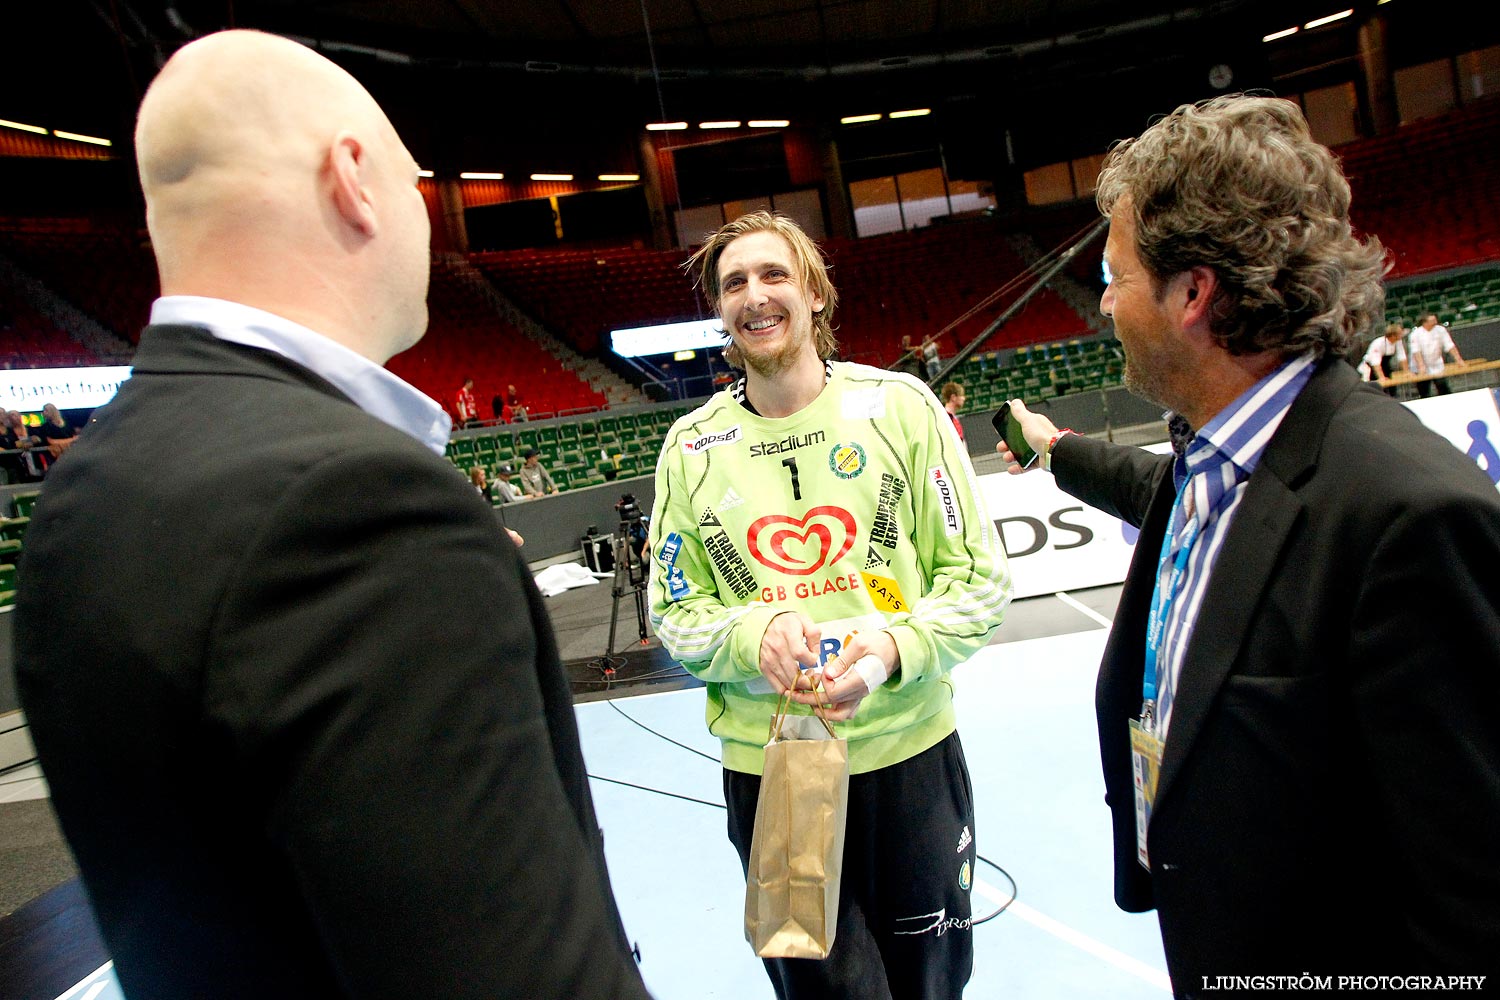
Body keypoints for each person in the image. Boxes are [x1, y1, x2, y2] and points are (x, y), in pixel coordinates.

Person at [12, 30, 649, 1000]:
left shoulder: (84, 489)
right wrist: (436, 590)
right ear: (353, 178)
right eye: (415, 184)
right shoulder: (362, 510)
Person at [996, 95, 1500, 990]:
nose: (1103, 304)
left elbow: (1472, 904)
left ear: (1194, 293)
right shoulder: (1216, 458)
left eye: (1115, 277)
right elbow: (1160, 492)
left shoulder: (1410, 517)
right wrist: (1057, 450)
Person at [648, 210, 1011, 1000]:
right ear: (720, 310)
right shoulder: (691, 448)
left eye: (775, 274)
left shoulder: (903, 410)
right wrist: (754, 632)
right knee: (821, 992)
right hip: (774, 774)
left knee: (931, 984)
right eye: (734, 282)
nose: (756, 295)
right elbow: (674, 611)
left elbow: (978, 579)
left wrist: (888, 653)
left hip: (907, 755)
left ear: (815, 293)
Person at [1408, 311, 1465, 396]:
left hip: (1436, 363)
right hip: (1419, 366)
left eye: (1435, 320)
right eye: (1432, 321)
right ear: (1424, 322)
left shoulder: (1440, 330)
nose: (1435, 322)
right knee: (1424, 391)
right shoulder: (1415, 334)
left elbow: (1449, 345)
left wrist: (1459, 360)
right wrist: (1421, 366)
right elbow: (1416, 351)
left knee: (1443, 387)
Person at [1362, 321, 1407, 393]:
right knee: (1378, 389)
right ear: (1393, 335)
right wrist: (1381, 377)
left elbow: (1402, 356)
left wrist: (1406, 372)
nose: (1401, 335)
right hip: (1371, 368)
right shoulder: (1378, 343)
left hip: (1385, 366)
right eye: (1400, 334)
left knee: (1392, 388)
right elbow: (1376, 363)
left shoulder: (1398, 341)